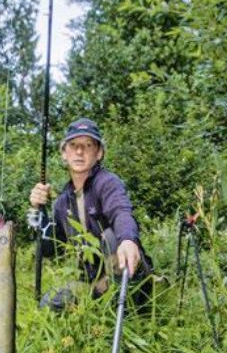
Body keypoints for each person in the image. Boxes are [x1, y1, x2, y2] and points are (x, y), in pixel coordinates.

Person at [29, 117, 151, 310]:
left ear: (99, 153)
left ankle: (129, 310)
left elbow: (121, 212)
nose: (79, 151)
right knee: (50, 302)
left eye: (88, 145)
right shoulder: (62, 202)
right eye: (73, 145)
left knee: (112, 237)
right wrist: (37, 211)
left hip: (126, 272)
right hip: (92, 282)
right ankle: (94, 310)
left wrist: (128, 239)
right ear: (64, 153)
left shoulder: (108, 183)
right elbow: (50, 249)